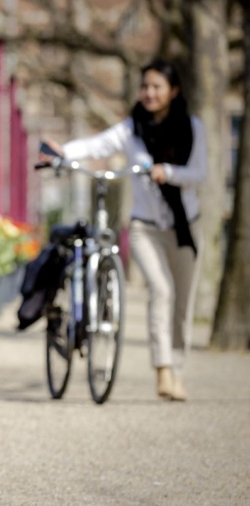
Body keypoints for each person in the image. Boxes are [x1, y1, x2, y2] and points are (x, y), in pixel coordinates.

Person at [40, 60, 206, 402]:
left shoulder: (192, 128)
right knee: (161, 290)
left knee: (182, 301)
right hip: (145, 225)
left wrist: (168, 173)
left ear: (173, 91)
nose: (149, 93)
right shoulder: (132, 129)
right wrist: (63, 153)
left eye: (157, 87)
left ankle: (177, 369)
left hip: (185, 225)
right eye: (145, 86)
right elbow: (97, 145)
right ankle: (162, 370)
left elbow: (199, 172)